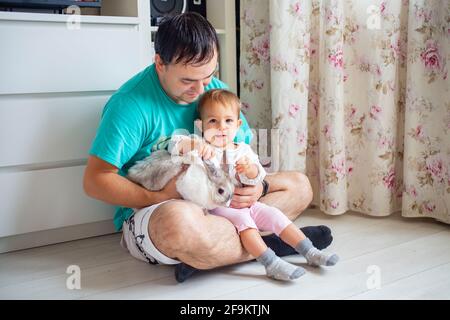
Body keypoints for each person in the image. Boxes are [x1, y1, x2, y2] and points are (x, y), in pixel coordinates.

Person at [83, 12, 333, 283]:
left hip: (225, 202)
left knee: (299, 185)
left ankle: (208, 256)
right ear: (160, 64)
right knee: (178, 224)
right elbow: (95, 181)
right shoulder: (129, 105)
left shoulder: (213, 89)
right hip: (164, 207)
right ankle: (277, 243)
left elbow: (242, 152)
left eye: (208, 75)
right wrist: (158, 197)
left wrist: (257, 188)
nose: (201, 89)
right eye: (188, 81)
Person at [169, 89, 339, 281]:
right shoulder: (202, 146)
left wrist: (249, 170)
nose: (221, 127)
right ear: (201, 125)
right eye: (213, 121)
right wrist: (192, 145)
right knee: (245, 223)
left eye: (228, 121)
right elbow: (174, 145)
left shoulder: (242, 150)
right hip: (220, 208)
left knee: (276, 215)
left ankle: (310, 251)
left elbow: (258, 176)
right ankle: (270, 263)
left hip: (248, 203)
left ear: (238, 124)